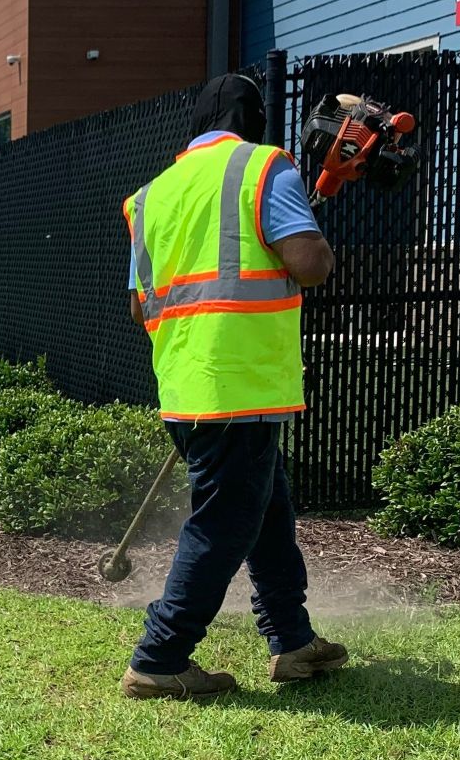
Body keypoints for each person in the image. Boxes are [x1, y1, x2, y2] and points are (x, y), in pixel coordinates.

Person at [119, 73, 349, 700]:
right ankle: (160, 656)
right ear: (254, 122)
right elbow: (309, 265)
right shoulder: (265, 167)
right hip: (241, 386)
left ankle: (293, 642)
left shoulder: (149, 197)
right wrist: (319, 245)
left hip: (186, 387)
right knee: (223, 524)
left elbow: (141, 308)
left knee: (266, 512)